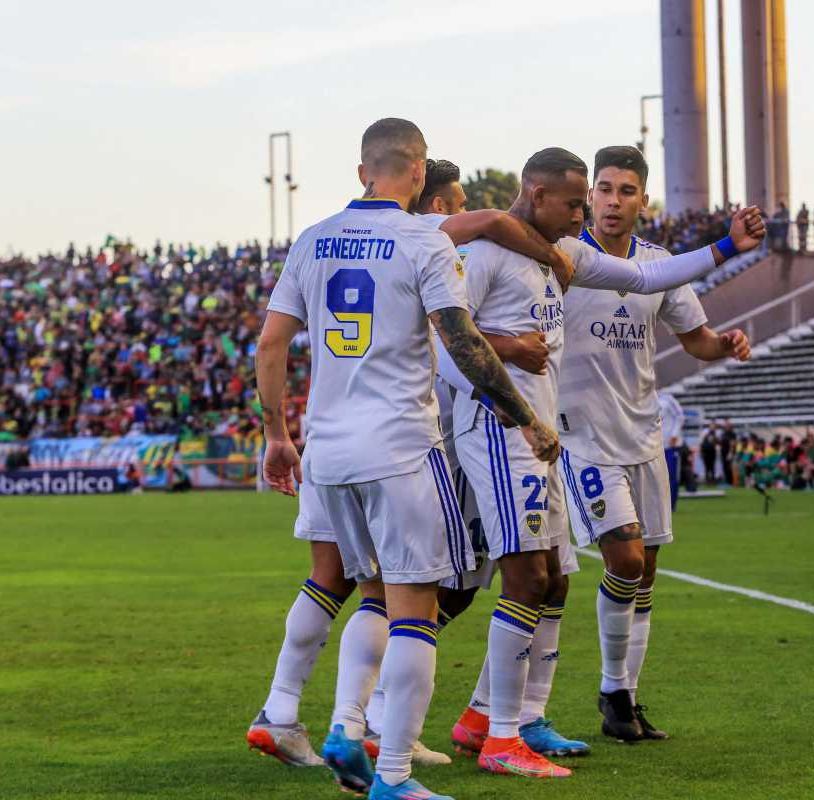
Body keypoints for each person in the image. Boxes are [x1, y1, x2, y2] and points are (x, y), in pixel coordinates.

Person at [258, 117, 555, 800]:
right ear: (418, 173)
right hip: (399, 448)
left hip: (328, 455)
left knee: (369, 595)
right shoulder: (423, 238)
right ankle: (391, 775)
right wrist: (527, 418)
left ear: (363, 170)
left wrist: (277, 434)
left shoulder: (312, 239)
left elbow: (271, 344)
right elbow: (465, 344)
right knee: (414, 610)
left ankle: (343, 728)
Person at [444, 146, 761, 778]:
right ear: (538, 195)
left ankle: (512, 718)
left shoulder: (567, 260)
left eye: (616, 191)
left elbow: (648, 282)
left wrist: (725, 249)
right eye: (584, 196)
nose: (594, 206)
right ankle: (491, 731)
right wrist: (509, 352)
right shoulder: (483, 255)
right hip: (518, 433)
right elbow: (446, 341)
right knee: (519, 579)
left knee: (556, 579)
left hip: (577, 439)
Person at [556, 145, 756, 744]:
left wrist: (726, 344)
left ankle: (624, 698)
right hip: (581, 439)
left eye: (626, 191)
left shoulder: (661, 264)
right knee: (625, 559)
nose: (613, 201)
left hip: (643, 436)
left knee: (646, 576)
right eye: (605, 189)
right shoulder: (563, 259)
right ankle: (611, 692)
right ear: (589, 195)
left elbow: (695, 339)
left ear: (644, 199)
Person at [657, 390, 685, 512]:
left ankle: (671, 505)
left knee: (671, 476)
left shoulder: (668, 399)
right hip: (654, 447)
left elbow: (680, 416)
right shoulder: (645, 399)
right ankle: (660, 505)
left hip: (670, 446)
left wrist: (674, 435)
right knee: (657, 478)